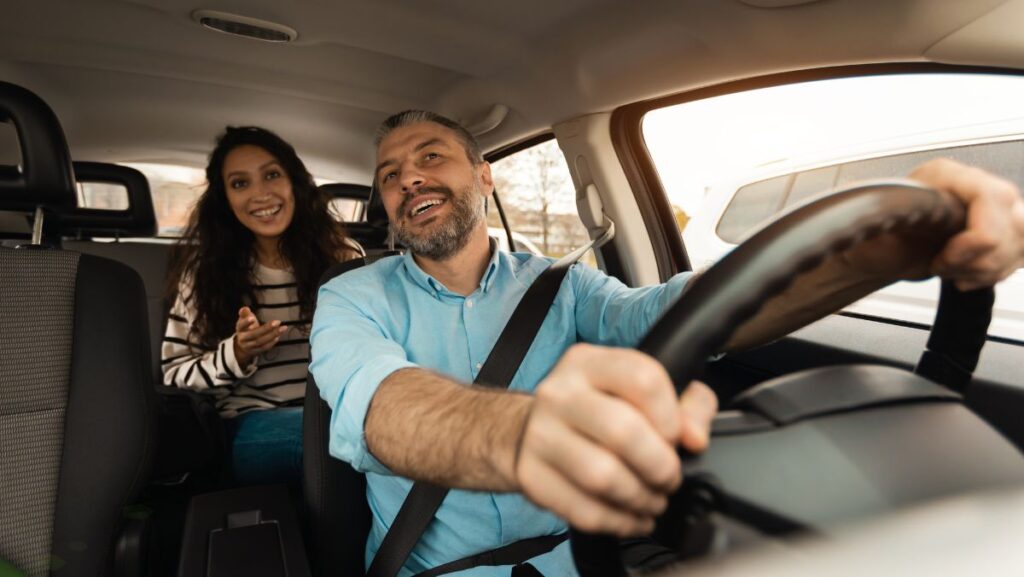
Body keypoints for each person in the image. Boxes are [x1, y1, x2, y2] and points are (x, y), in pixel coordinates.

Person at [309, 110, 1024, 576]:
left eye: (430, 156)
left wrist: (881, 250)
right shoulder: (350, 297)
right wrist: (525, 433)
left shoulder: (564, 286)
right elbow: (379, 402)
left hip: (585, 562)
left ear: (483, 174)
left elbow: (673, 314)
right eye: (391, 174)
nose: (410, 179)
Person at [163, 125, 361, 486]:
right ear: (224, 199)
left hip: (342, 411)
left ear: (294, 183)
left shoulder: (344, 257)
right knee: (336, 442)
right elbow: (174, 374)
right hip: (253, 424)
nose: (260, 194)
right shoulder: (204, 273)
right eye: (240, 183)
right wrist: (235, 354)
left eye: (272, 175)